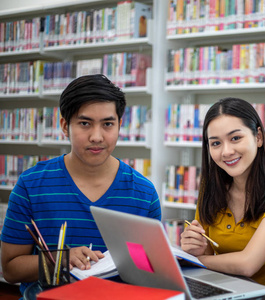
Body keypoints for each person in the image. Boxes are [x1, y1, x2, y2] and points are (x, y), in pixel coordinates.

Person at [0, 74, 161, 294]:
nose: (97, 136)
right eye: (85, 123)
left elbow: (149, 271)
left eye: (107, 124)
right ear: (65, 126)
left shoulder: (143, 192)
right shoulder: (31, 185)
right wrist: (60, 261)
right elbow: (10, 270)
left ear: (119, 125)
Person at [180, 97, 265, 299]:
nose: (226, 151)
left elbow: (248, 264)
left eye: (235, 138)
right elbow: (207, 259)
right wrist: (194, 249)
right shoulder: (210, 187)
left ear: (258, 137)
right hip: (218, 294)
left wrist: (194, 260)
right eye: (216, 143)